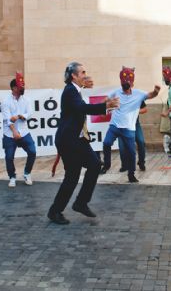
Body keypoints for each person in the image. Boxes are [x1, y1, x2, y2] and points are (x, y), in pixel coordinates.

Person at [47, 62, 120, 225]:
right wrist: (105, 105)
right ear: (73, 75)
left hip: (78, 139)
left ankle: (81, 203)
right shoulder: (70, 91)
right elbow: (82, 108)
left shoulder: (75, 90)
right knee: (72, 177)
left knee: (94, 165)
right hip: (68, 141)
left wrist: (103, 104)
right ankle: (55, 211)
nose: (85, 75)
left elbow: (80, 107)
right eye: (82, 73)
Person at [99, 67, 160, 183]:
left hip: (129, 128)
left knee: (132, 152)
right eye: (123, 83)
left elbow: (151, 95)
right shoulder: (116, 92)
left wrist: (156, 91)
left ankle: (131, 174)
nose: (124, 85)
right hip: (115, 126)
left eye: (126, 83)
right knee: (106, 143)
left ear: (131, 83)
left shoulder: (138, 94)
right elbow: (105, 99)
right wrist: (102, 108)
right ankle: (106, 165)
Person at [1, 72, 36, 187]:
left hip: (24, 131)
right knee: (9, 157)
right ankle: (12, 177)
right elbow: (8, 119)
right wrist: (14, 132)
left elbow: (30, 112)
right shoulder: (6, 101)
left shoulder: (26, 99)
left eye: (23, 86)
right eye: (21, 86)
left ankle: (27, 173)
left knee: (32, 152)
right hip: (9, 134)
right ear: (14, 88)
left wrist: (21, 116)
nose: (23, 88)